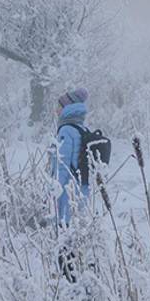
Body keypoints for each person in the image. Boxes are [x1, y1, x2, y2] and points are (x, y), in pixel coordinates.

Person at [53, 87, 111, 279]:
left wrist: (53, 195)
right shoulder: (82, 129)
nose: (56, 110)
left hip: (66, 196)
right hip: (82, 193)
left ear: (67, 108)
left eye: (59, 106)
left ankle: (68, 281)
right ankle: (84, 276)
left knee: (65, 242)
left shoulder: (66, 131)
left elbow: (61, 168)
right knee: (78, 240)